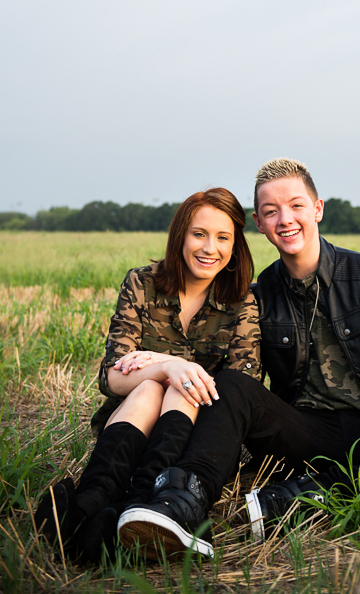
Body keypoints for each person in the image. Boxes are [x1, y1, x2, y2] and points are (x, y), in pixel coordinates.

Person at [117, 158, 360, 557]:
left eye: (296, 205)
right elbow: (225, 370)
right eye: (270, 211)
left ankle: (296, 498)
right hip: (302, 431)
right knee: (232, 385)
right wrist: (156, 362)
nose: (285, 219)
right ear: (260, 224)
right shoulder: (260, 292)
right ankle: (183, 504)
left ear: (317, 209)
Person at [33, 187, 260, 563]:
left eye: (223, 237)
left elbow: (239, 390)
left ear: (236, 246)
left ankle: (139, 508)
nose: (209, 248)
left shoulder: (242, 301)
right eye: (199, 234)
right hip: (136, 418)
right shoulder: (142, 283)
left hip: (198, 432)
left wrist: (169, 368)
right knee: (148, 389)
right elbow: (111, 377)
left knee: (180, 388)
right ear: (180, 236)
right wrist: (167, 366)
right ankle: (90, 508)